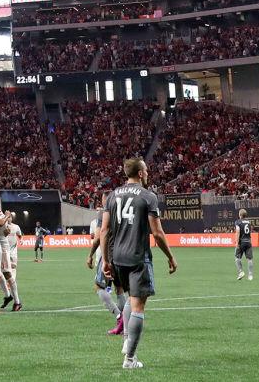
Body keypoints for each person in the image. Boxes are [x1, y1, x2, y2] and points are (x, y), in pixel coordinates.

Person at [102, 157, 177, 371]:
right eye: (146, 169)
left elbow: (105, 230)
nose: (148, 172)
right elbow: (157, 232)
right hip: (137, 257)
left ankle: (127, 340)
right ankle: (130, 359)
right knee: (138, 306)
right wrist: (170, 257)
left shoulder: (112, 195)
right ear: (141, 173)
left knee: (129, 299)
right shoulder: (148, 197)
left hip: (117, 258)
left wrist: (106, 260)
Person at [87, 206, 126, 335]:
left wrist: (90, 254)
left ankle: (120, 317)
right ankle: (124, 323)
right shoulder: (121, 210)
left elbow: (98, 236)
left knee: (98, 287)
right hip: (122, 255)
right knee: (119, 288)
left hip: (108, 255)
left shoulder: (104, 213)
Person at [1, 213, 23, 311]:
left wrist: (20, 240)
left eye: (10, 217)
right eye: (7, 217)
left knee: (12, 269)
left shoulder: (16, 227)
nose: (9, 218)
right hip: (4, 250)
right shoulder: (2, 225)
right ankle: (11, 297)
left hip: (12, 251)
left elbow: (19, 235)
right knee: (0, 273)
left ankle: (13, 298)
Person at [232, 208, 254, 281]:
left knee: (237, 258)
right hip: (248, 242)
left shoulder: (238, 222)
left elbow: (238, 232)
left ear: (240, 215)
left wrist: (237, 242)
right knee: (249, 259)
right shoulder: (248, 222)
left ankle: (241, 272)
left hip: (241, 242)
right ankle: (250, 275)